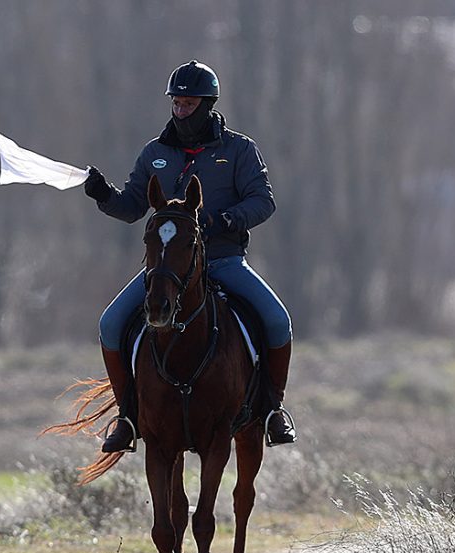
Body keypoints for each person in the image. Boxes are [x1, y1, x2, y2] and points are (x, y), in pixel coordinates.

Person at [84, 60, 296, 451]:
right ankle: (128, 417)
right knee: (111, 324)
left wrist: (228, 219)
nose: (181, 110)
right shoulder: (155, 153)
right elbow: (132, 207)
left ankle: (272, 410)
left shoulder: (238, 149)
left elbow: (263, 201)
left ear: (207, 104)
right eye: (176, 103)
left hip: (224, 261)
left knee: (277, 321)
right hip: (167, 268)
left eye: (188, 104)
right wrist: (103, 195)